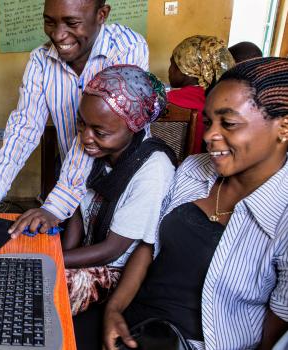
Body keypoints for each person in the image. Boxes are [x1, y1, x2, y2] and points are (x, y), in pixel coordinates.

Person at [103, 57, 288, 350]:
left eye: (228, 123)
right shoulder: (193, 170)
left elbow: (277, 327)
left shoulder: (283, 216)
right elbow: (148, 247)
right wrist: (113, 311)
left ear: (283, 127)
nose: (210, 135)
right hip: (137, 324)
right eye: (208, 121)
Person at [0, 0, 149, 235]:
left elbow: (95, 135)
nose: (58, 35)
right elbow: (24, 129)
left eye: (72, 23)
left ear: (101, 14)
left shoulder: (127, 48)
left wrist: (55, 205)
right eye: (49, 22)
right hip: (74, 184)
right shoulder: (40, 61)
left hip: (124, 181)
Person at [62, 65, 176, 349]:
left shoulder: (153, 170)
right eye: (81, 124)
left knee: (34, 289)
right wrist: (63, 253)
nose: (86, 137)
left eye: (99, 131)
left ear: (133, 126)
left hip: (116, 271)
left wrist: (54, 260)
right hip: (86, 252)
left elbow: (113, 249)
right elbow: (76, 203)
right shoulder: (95, 146)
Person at [167, 35, 235, 154]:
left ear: (187, 69)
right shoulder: (228, 99)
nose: (169, 70)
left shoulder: (169, 100)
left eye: (173, 64)